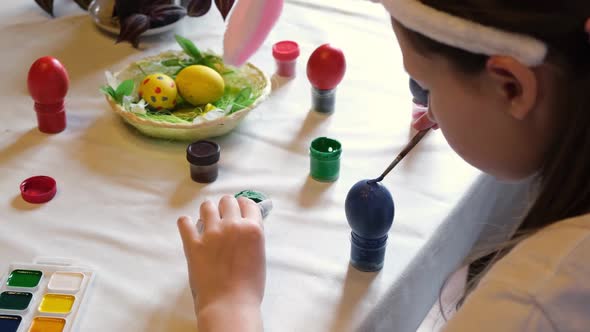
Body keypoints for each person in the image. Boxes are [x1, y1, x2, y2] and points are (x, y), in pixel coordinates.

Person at [177, 0, 590, 330]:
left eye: (427, 87)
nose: (428, 113)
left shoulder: (535, 301)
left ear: (511, 86)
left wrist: (228, 306)